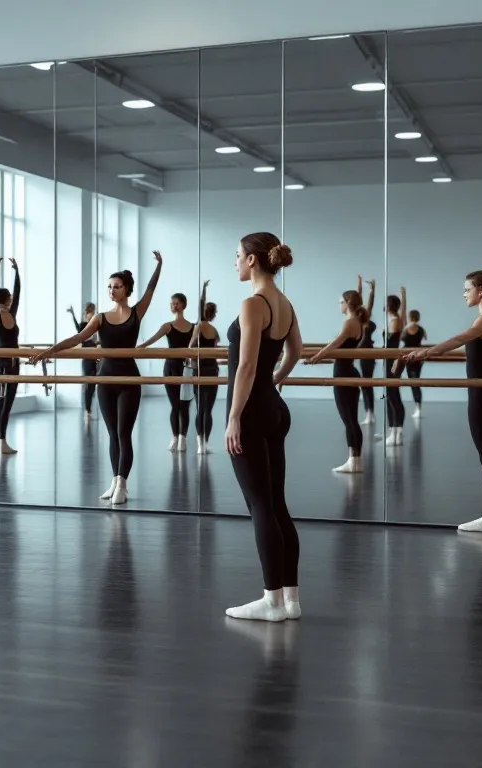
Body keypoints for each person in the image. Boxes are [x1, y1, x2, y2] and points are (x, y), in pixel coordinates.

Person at [31, 253, 163, 505]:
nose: (112, 290)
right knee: (112, 433)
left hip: (129, 381)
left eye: (117, 286)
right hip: (105, 381)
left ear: (127, 289)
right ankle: (115, 480)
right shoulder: (100, 317)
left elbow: (151, 289)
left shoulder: (137, 312)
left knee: (124, 433)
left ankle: (122, 483)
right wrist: (51, 350)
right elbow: (78, 338)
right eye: (109, 287)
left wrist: (159, 265)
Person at [223, 232, 303, 622]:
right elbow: (295, 351)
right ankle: (291, 600)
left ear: (253, 260)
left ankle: (272, 602)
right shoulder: (284, 303)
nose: (235, 261)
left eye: (238, 255)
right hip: (273, 408)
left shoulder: (253, 303)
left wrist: (234, 417)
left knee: (260, 508)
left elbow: (246, 366)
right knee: (276, 505)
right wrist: (276, 381)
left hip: (252, 412)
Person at [404, 269, 482, 533]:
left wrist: (425, 352)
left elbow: (459, 339)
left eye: (467, 289)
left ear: (481, 291)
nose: (464, 294)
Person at [306, 289, 366, 473]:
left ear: (348, 304)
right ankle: (355, 460)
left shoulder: (349, 323)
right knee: (352, 419)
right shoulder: (359, 323)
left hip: (342, 373)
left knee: (348, 419)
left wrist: (317, 357)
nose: (339, 305)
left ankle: (353, 461)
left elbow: (334, 344)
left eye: (341, 302)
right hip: (350, 371)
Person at [138, 292, 195, 451]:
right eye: (171, 303)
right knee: (175, 405)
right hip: (170, 368)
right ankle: (175, 437)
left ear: (183, 305)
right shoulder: (167, 326)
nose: (173, 306)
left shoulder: (193, 327)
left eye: (176, 303)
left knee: (184, 405)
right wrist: (138, 348)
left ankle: (183, 438)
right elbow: (152, 339)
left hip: (186, 369)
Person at [0, 257, 21, 455]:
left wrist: (17, 272)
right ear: (5, 299)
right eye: (9, 298)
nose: (12, 299)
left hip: (12, 364)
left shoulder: (12, 313)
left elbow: (18, 292)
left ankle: (1, 441)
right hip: (1, 366)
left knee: (6, 406)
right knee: (1, 406)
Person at [189, 280, 220, 455]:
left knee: (200, 408)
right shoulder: (214, 331)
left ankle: (200, 443)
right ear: (213, 314)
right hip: (212, 370)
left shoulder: (198, 326)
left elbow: (191, 346)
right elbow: (214, 350)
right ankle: (204, 443)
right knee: (208, 409)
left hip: (200, 370)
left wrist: (203, 289)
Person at [383, 288, 408, 446]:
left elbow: (391, 345)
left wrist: (403, 297)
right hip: (391, 360)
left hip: (392, 361)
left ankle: (395, 431)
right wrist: (404, 297)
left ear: (389, 305)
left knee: (392, 394)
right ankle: (396, 431)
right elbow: (403, 312)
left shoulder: (394, 321)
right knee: (392, 394)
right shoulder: (395, 319)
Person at [66, 303, 99, 422]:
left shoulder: (95, 324)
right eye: (91, 312)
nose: (93, 314)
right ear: (87, 313)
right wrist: (73, 314)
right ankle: (87, 411)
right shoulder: (84, 325)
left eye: (93, 312)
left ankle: (88, 410)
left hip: (94, 356)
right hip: (87, 357)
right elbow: (79, 332)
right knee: (88, 384)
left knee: (93, 384)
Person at [401, 309, 428, 419]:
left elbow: (401, 338)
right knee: (416, 382)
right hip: (419, 357)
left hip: (409, 358)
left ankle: (417, 408)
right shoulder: (421, 329)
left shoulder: (406, 328)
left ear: (409, 317)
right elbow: (425, 337)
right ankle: (418, 408)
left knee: (413, 383)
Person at [357, 278, 377, 425]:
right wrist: (360, 287)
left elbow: (367, 305)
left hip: (367, 355)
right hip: (364, 354)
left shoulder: (364, 322)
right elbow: (357, 302)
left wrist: (371, 291)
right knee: (366, 383)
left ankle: (369, 413)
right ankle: (369, 413)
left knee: (366, 384)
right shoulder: (361, 322)